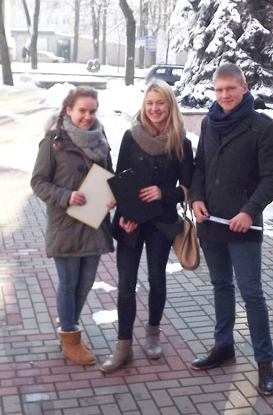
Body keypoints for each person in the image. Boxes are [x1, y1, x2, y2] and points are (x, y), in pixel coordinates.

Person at [190, 63, 273, 397]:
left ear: (244, 88)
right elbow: (200, 166)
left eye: (231, 88)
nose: (225, 95)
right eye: (219, 89)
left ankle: (265, 363)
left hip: (244, 225)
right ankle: (223, 347)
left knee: (252, 294)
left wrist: (249, 211)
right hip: (211, 222)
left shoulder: (262, 126)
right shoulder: (209, 122)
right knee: (220, 286)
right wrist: (196, 198)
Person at [101, 79, 193, 372]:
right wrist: (123, 217)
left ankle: (153, 332)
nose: (155, 108)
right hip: (130, 221)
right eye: (150, 103)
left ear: (169, 105)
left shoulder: (181, 143)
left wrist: (163, 193)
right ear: (144, 105)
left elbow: (187, 189)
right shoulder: (131, 137)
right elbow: (121, 179)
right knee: (126, 284)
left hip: (161, 223)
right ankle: (123, 345)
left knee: (156, 279)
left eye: (160, 102)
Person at [31, 87, 114, 366]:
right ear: (69, 110)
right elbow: (38, 182)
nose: (87, 116)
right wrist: (65, 196)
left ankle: (69, 326)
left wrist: (112, 195)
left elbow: (109, 176)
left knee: (86, 282)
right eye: (81, 110)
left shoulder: (101, 138)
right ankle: (69, 338)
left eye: (92, 111)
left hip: (94, 222)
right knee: (68, 283)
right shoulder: (53, 141)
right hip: (66, 224)